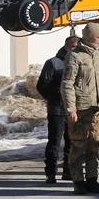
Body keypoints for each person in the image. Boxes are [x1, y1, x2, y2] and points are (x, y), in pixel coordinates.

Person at [61, 23, 99, 195]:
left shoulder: (97, 55)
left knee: (94, 146)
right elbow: (67, 84)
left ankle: (92, 179)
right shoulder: (75, 57)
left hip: (97, 109)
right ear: (90, 37)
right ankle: (78, 181)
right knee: (78, 147)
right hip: (81, 109)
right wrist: (71, 109)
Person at [36, 35, 79, 184]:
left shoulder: (78, 62)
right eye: (73, 47)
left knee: (71, 142)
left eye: (77, 47)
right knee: (54, 141)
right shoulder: (54, 63)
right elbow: (42, 85)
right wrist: (54, 98)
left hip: (73, 109)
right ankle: (51, 173)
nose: (75, 50)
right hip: (57, 109)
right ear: (66, 46)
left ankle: (68, 171)